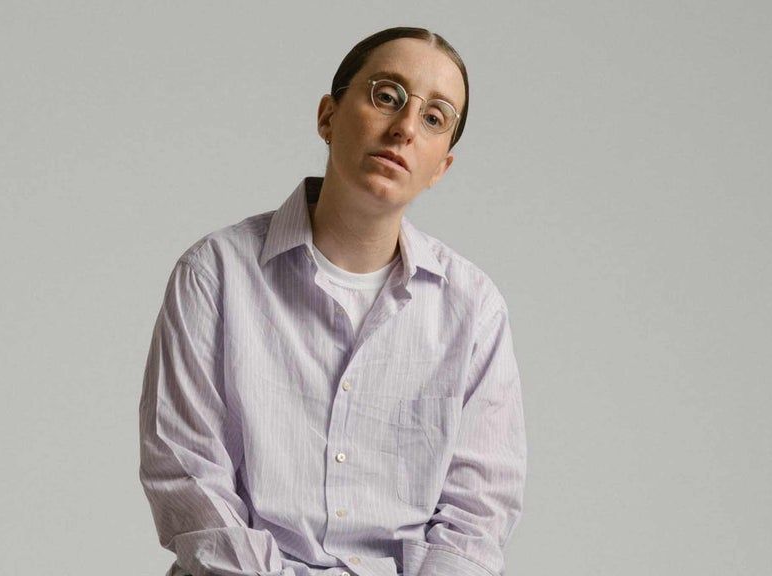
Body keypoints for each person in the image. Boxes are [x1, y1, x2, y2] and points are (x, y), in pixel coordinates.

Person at [139, 26, 527, 576]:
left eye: (434, 118)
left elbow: (476, 517)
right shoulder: (215, 274)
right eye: (387, 95)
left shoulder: (474, 310)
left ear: (441, 166)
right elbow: (188, 476)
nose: (405, 127)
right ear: (328, 116)